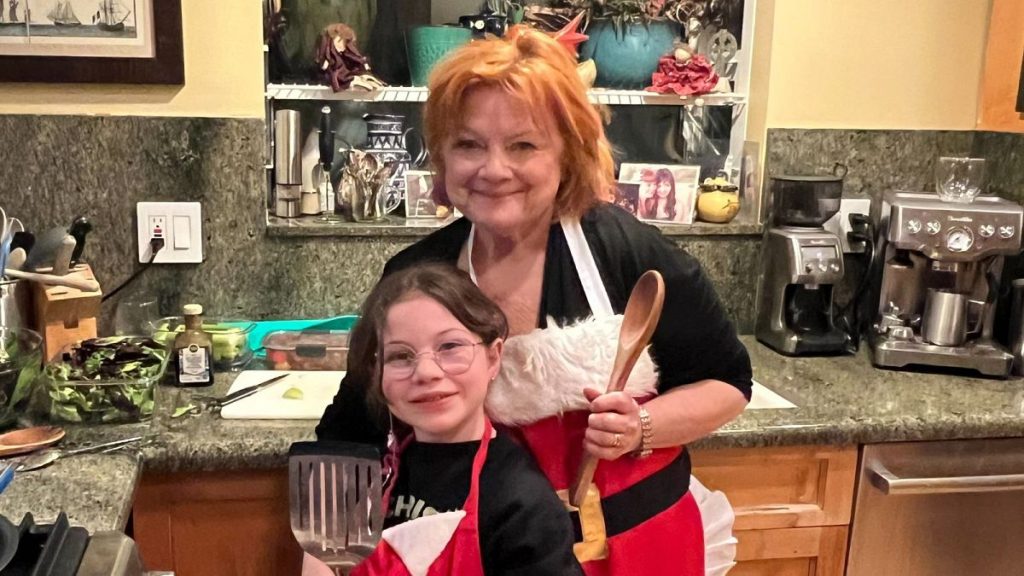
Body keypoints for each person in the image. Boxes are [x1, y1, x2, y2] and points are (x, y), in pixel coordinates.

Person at [318, 27, 752, 575]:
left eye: (523, 145)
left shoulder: (626, 253)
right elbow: (354, 426)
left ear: (565, 154)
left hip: (640, 550)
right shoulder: (416, 275)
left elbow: (729, 384)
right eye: (469, 144)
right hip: (483, 556)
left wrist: (641, 428)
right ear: (443, 160)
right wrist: (325, 553)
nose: (493, 169)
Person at [306, 263, 582, 576]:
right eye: (400, 356)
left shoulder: (523, 505)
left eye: (450, 347)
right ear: (376, 373)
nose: (426, 372)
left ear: (493, 358)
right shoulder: (377, 474)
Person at [314, 23, 385, 92]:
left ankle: (360, 79)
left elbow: (356, 62)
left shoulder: (347, 56)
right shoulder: (328, 56)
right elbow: (327, 70)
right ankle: (353, 80)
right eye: (340, 40)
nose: (343, 44)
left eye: (345, 41)